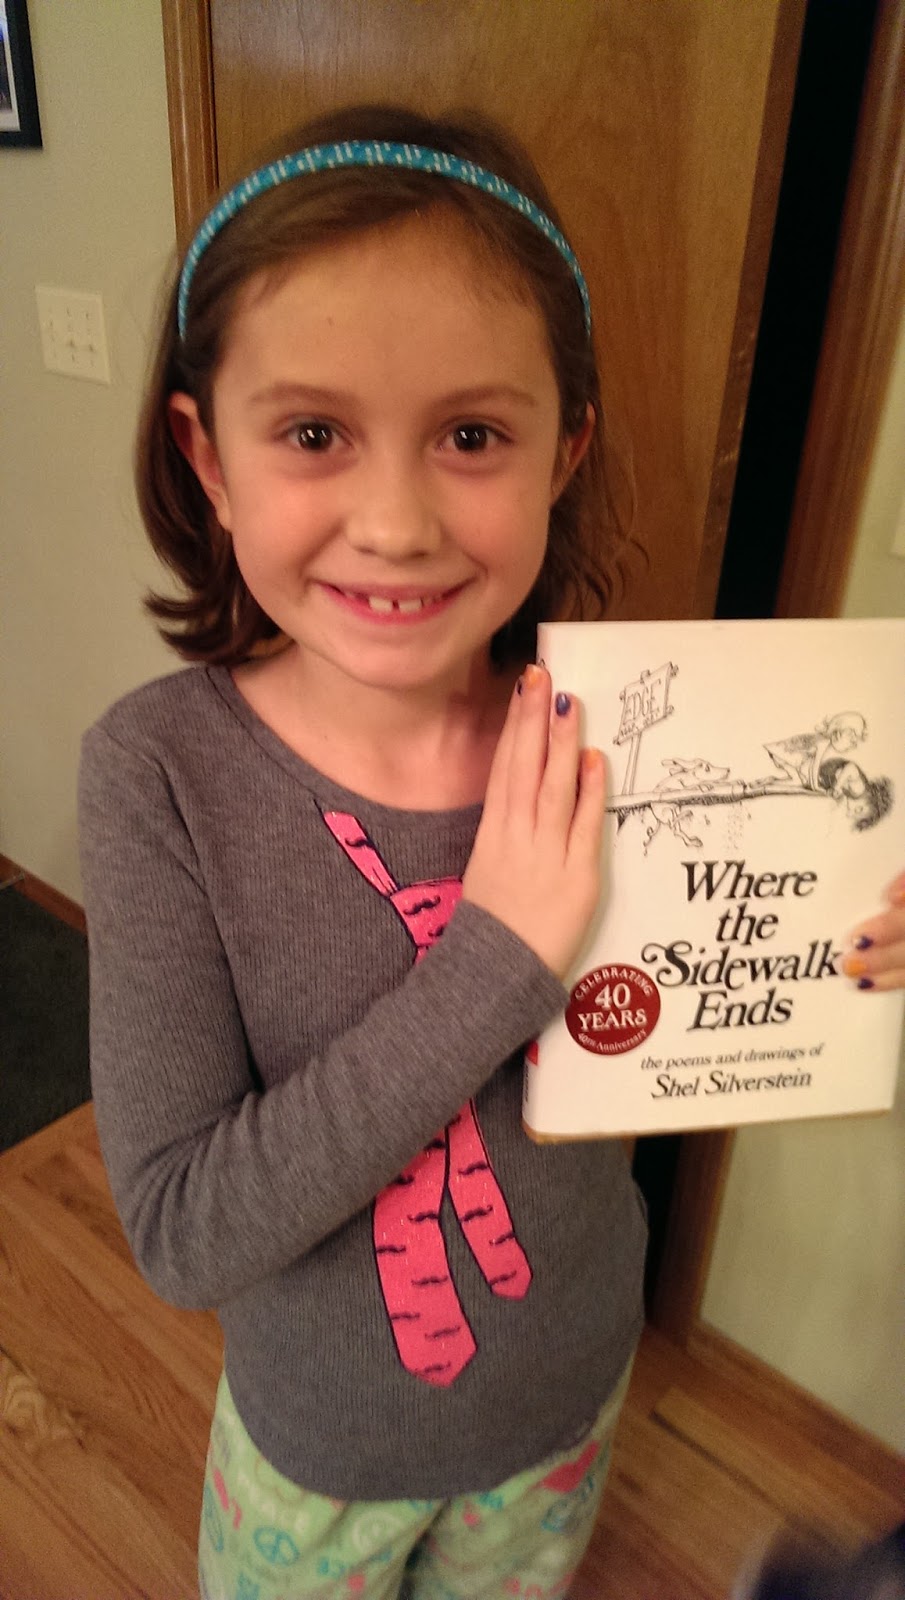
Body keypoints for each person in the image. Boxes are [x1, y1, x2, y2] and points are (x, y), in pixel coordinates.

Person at [77, 104, 905, 1600]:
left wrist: (849, 935)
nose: (395, 525)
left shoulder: (628, 739)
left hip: (562, 1408)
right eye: (314, 434)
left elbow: (708, 1010)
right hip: (318, 1455)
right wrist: (497, 959)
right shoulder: (160, 776)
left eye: (470, 437)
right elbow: (186, 1231)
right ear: (208, 454)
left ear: (561, 447)